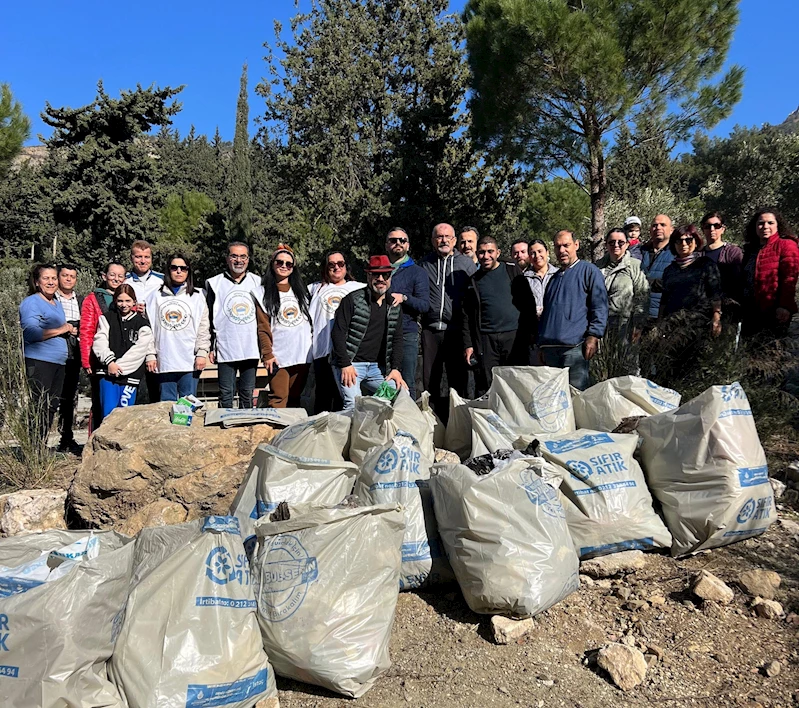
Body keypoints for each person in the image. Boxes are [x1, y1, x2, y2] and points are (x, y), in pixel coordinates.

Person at [330, 255, 406, 409]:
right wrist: (345, 364)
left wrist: (396, 369)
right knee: (353, 404)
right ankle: (353, 433)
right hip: (351, 365)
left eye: (385, 275)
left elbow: (397, 339)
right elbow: (337, 333)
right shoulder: (352, 300)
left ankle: (375, 422)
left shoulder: (394, 305)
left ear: (390, 277)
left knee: (401, 395)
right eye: (376, 274)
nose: (380, 279)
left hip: (377, 369)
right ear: (368, 275)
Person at [462, 235, 536, 392]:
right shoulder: (473, 281)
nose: (486, 256)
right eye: (482, 252)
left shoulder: (511, 270)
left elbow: (528, 303)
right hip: (486, 340)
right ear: (477, 254)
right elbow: (466, 315)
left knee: (516, 383)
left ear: (498, 252)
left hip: (514, 337)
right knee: (490, 385)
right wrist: (469, 344)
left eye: (490, 251)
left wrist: (531, 332)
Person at [537, 230, 608, 390]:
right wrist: (541, 344)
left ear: (576, 245)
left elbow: (599, 305)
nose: (562, 250)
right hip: (549, 350)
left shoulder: (589, 271)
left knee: (576, 395)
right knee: (554, 397)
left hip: (574, 348)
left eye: (566, 245)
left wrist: (593, 336)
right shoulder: (553, 279)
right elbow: (547, 315)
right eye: (557, 247)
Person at [419, 223, 477, 419]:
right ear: (433, 240)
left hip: (457, 330)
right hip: (430, 329)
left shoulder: (466, 264)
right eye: (439, 237)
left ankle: (459, 422)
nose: (443, 240)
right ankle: (432, 422)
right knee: (430, 380)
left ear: (454, 241)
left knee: (458, 380)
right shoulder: (425, 264)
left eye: (447, 237)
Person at [19, 264, 75, 443]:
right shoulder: (32, 302)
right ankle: (33, 448)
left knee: (51, 406)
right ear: (37, 282)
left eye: (53, 278)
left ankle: (40, 446)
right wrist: (62, 329)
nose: (51, 282)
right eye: (46, 278)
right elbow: (30, 333)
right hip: (39, 360)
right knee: (39, 405)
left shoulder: (56, 304)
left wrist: (68, 331)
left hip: (58, 363)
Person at [203, 242, 263, 409]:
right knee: (226, 394)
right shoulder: (214, 283)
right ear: (227, 258)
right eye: (234, 256)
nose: (239, 260)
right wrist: (211, 346)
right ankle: (224, 429)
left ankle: (244, 430)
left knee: (247, 394)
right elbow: (208, 317)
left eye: (243, 256)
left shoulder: (258, 282)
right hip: (226, 346)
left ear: (248, 259)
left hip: (250, 347)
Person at [145, 253, 211, 401]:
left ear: (188, 271)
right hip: (165, 360)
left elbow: (203, 327)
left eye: (183, 268)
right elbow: (148, 329)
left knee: (188, 405)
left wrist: (202, 352)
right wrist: (150, 354)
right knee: (165, 406)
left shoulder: (198, 296)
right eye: (174, 268)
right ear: (168, 270)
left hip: (189, 361)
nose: (179, 271)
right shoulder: (154, 296)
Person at [255, 244, 313, 408]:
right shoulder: (262, 293)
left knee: (295, 398)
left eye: (289, 264)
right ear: (272, 264)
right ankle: (275, 433)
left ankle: (293, 433)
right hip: (279, 356)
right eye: (279, 262)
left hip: (302, 354)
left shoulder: (303, 292)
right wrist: (267, 354)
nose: (284, 266)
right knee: (278, 398)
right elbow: (263, 327)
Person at [308, 250, 366, 413]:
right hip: (323, 351)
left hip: (348, 354)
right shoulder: (315, 288)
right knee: (323, 397)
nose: (336, 268)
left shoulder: (360, 288)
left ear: (346, 266)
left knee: (344, 396)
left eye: (340, 264)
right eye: (331, 265)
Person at [92, 284, 153, 424]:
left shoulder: (142, 323)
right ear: (115, 301)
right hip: (107, 373)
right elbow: (99, 341)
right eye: (120, 301)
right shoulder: (106, 318)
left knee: (125, 415)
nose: (124, 305)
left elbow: (140, 350)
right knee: (108, 414)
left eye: (128, 301)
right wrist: (110, 362)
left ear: (134, 302)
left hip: (130, 375)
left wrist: (120, 366)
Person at [80, 262, 126, 433]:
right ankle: (95, 441)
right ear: (104, 276)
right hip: (99, 360)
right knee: (100, 403)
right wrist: (86, 360)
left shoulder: (126, 298)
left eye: (120, 276)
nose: (116, 279)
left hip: (123, 360)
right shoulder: (93, 299)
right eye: (112, 274)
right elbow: (86, 330)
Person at [385, 227, 429, 399]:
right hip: (381, 332)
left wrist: (404, 298)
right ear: (386, 245)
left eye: (402, 240)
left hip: (406, 333)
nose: (398, 243)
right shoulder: (379, 268)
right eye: (393, 240)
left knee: (407, 380)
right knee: (384, 378)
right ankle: (386, 419)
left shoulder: (417, 272)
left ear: (408, 245)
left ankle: (407, 420)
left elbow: (425, 305)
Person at [741, 208, 799, 337]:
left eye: (770, 223)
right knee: (749, 352)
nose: (765, 226)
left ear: (778, 225)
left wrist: (784, 306)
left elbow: (790, 278)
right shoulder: (750, 250)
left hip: (773, 311)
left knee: (771, 352)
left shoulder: (786, 245)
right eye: (760, 223)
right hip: (750, 311)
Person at [659, 225, 723, 335]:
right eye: (679, 241)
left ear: (696, 242)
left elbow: (715, 295)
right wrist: (659, 324)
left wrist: (716, 319)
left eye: (688, 240)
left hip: (698, 325)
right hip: (671, 326)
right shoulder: (669, 270)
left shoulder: (706, 264)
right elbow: (664, 299)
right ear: (674, 245)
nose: (683, 244)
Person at [125, 239, 164, 404]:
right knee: (134, 390)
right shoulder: (124, 281)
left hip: (156, 341)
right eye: (138, 256)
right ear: (132, 258)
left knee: (156, 390)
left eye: (146, 257)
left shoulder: (161, 280)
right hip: (131, 342)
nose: (142, 261)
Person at [596, 228, 649, 342]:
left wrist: (638, 325)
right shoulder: (597, 267)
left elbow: (642, 296)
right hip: (600, 325)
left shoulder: (635, 266)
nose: (616, 245)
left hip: (625, 327)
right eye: (611, 242)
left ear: (627, 244)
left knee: (624, 358)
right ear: (606, 244)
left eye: (620, 242)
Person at [54, 263, 83, 453]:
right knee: (49, 396)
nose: (68, 279)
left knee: (69, 396)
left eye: (72, 276)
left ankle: (66, 438)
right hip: (54, 351)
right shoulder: (50, 300)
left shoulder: (80, 300)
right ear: (58, 277)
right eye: (65, 275)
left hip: (75, 353)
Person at [699, 212, 743, 323]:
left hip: (728, 310)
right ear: (703, 229)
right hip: (701, 311)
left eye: (716, 226)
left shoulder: (732, 252)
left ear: (723, 229)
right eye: (708, 226)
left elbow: (738, 281)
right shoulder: (697, 254)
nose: (712, 229)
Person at [640, 214, 675, 324]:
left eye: (663, 225)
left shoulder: (676, 253)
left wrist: (648, 283)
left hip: (663, 316)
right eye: (655, 225)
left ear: (671, 230)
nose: (658, 228)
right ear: (650, 230)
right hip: (639, 314)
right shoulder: (640, 251)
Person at [524, 239, 558, 317]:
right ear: (529, 257)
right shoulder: (524, 279)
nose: (537, 256)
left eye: (540, 251)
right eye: (533, 253)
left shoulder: (558, 275)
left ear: (547, 253)